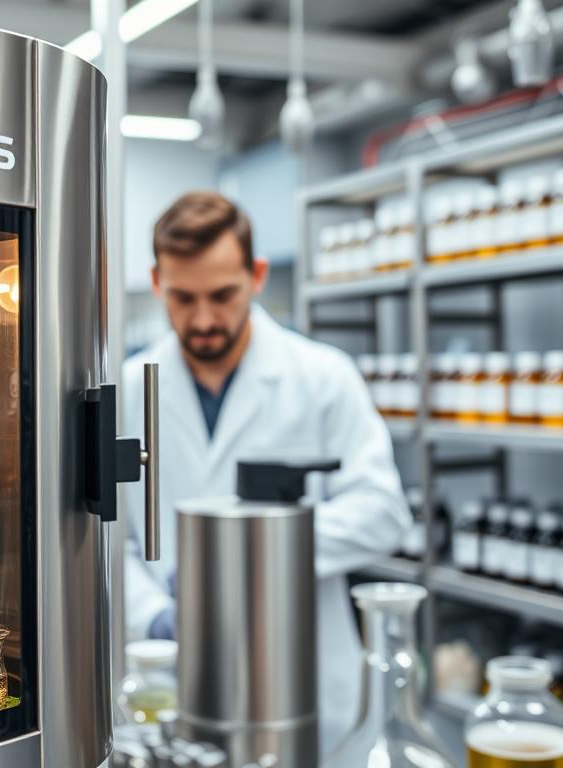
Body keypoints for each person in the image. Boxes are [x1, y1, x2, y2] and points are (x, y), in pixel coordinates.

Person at [121, 190, 410, 753]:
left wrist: (242, 555)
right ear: (157, 283)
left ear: (256, 276)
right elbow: (109, 540)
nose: (203, 319)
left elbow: (382, 513)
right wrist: (156, 616)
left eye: (222, 295)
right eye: (183, 297)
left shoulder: (323, 377)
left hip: (306, 677)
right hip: (176, 677)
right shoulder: (131, 386)